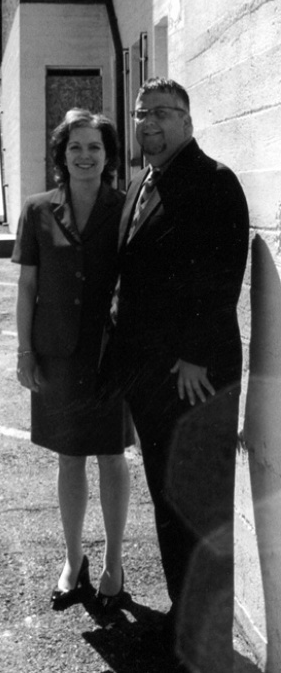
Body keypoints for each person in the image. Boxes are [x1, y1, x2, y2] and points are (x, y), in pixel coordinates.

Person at [104, 78, 249, 670]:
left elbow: (222, 272)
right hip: (150, 377)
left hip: (195, 375)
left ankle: (208, 644)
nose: (149, 124)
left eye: (163, 113)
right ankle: (182, 623)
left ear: (188, 120)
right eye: (142, 114)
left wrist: (194, 354)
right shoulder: (141, 182)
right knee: (169, 503)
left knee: (201, 507)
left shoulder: (214, 181)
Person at [12, 108, 133, 611]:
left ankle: (114, 563)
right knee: (69, 456)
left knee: (111, 454)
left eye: (95, 147)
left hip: (109, 355)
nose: (85, 155)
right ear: (62, 153)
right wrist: (24, 350)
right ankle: (71, 559)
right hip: (57, 354)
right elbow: (27, 286)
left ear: (108, 156)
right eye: (76, 146)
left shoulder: (127, 208)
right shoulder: (38, 209)